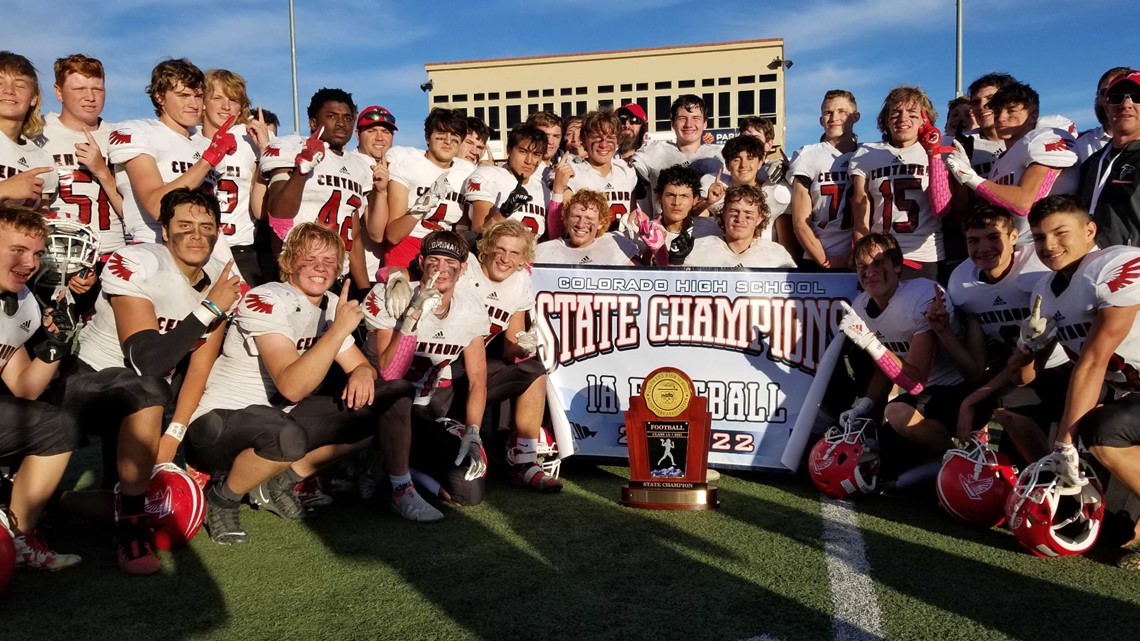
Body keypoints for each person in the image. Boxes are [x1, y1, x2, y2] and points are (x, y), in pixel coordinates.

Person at [63, 188, 239, 574]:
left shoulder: (219, 281)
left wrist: (173, 434)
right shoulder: (137, 261)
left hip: (147, 401)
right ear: (164, 231)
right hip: (90, 385)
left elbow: (199, 367)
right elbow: (148, 360)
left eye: (206, 227)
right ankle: (131, 533)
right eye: (185, 225)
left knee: (128, 488)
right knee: (148, 387)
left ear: (217, 233)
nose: (196, 234)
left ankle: (55, 503)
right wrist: (210, 308)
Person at [185, 223, 397, 542]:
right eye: (310, 259)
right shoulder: (267, 298)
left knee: (378, 408)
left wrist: (363, 373)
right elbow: (291, 387)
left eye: (328, 260)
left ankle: (277, 483)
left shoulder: (327, 304)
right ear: (290, 261)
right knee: (286, 436)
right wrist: (339, 330)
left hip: (277, 419)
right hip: (219, 423)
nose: (320, 268)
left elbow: (359, 365)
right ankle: (222, 497)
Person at [1016, 195, 1140, 569]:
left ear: (1089, 231)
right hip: (1129, 390)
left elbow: (1094, 360)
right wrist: (1027, 347)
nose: (1049, 245)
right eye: (1039, 237)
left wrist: (1063, 445)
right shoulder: (1046, 290)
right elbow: (1024, 377)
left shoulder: (1114, 264)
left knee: (1104, 431)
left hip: (1127, 388)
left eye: (1060, 232)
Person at [363, 231, 491, 510]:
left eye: (450, 263)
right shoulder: (393, 295)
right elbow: (388, 371)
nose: (441, 270)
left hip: (423, 413)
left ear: (464, 269)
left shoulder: (470, 308)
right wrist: (413, 314)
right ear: (421, 262)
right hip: (379, 406)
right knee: (397, 392)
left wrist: (473, 431)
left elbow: (478, 380)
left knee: (468, 492)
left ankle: (400, 469)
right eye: (434, 260)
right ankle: (379, 461)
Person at [835, 233, 971, 477]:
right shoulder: (861, 305)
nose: (869, 271)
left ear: (897, 265)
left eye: (878, 263)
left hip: (957, 390)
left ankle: (964, 468)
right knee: (884, 466)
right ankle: (937, 465)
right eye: (862, 266)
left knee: (895, 412)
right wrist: (864, 405)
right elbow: (886, 364)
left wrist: (869, 342)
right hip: (927, 396)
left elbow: (915, 382)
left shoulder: (922, 294)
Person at [949, 205, 1069, 463]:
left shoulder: (1038, 272)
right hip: (1019, 369)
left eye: (994, 237)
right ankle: (1041, 472)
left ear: (1014, 237)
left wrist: (972, 399)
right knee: (1007, 407)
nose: (983, 248)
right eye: (973, 241)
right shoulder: (962, 285)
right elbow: (977, 366)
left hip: (1064, 364)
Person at [0, 204, 82, 570]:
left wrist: (54, 346)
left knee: (55, 424)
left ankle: (17, 541)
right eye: (17, 250)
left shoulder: (20, 302)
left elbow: (23, 387)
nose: (30, 263)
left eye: (36, 253)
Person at [456, 220, 561, 491]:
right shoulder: (466, 268)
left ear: (523, 258)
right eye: (499, 249)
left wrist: (525, 345)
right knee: (466, 484)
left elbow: (510, 347)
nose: (505, 258)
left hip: (478, 372)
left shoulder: (520, 282)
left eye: (514, 253)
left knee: (533, 370)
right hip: (446, 366)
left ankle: (524, 460)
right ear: (486, 248)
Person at [107, 59, 237, 245]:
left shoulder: (204, 143)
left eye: (198, 96)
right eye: (183, 95)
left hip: (205, 248)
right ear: (160, 97)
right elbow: (156, 206)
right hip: (156, 246)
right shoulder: (139, 132)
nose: (193, 104)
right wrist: (207, 160)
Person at [944, 82, 1079, 245]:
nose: (1001, 118)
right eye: (997, 111)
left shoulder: (1045, 136)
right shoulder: (1000, 161)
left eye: (1011, 111)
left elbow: (1024, 204)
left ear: (1033, 116)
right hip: (1013, 248)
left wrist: (970, 177)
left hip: (1046, 245)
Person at [261, 87, 375, 272]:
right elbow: (278, 214)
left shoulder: (360, 165)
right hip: (297, 269)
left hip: (338, 271)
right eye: (332, 116)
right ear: (313, 122)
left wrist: (362, 289)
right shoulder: (290, 146)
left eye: (347, 118)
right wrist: (302, 169)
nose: (341, 123)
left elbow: (354, 234)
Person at [849, 86, 948, 279]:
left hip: (925, 254)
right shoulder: (867, 153)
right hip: (881, 254)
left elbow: (945, 207)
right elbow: (861, 205)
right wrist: (862, 252)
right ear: (886, 119)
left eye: (912, 113)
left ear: (925, 119)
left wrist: (933, 154)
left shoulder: (940, 149)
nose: (903, 119)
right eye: (895, 113)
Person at [36, 54, 125, 257]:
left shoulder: (120, 137)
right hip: (53, 253)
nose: (90, 97)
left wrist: (102, 171)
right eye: (79, 89)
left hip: (109, 253)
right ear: (59, 92)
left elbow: (136, 214)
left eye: (97, 89)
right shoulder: (37, 133)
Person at [199, 69, 270, 284]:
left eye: (233, 99)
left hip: (240, 248)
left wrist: (266, 150)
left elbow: (262, 209)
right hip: (195, 247)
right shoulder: (188, 137)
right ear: (202, 100)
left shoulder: (249, 139)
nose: (226, 106)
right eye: (218, 97)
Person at [383, 108, 475, 269]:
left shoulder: (468, 172)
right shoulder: (407, 164)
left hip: (447, 252)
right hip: (408, 246)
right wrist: (422, 206)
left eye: (454, 137)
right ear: (427, 137)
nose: (448, 141)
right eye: (441, 135)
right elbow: (393, 234)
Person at [790, 90, 860, 270]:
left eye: (842, 112)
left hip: (859, 259)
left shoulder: (867, 154)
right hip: (816, 256)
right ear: (821, 120)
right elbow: (800, 221)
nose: (834, 117)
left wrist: (856, 256)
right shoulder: (807, 155)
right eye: (828, 113)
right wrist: (824, 261)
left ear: (855, 117)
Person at [701, 133, 797, 259]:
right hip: (721, 264)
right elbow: (693, 223)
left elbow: (788, 250)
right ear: (728, 165)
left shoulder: (776, 192)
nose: (743, 165)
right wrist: (707, 202)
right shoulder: (716, 188)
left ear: (760, 162)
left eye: (750, 158)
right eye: (736, 159)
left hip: (766, 265)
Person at [632, 95, 724, 215]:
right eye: (682, 118)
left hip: (707, 231)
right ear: (673, 123)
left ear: (705, 123)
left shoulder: (720, 156)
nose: (688, 124)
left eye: (696, 118)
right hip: (663, 230)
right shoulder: (652, 152)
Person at [1079, 70, 1140, 248]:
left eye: (1137, 97)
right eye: (1116, 98)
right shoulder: (1093, 162)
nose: (1126, 104)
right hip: (1091, 266)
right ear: (1106, 108)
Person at [553, 110, 637, 231]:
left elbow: (633, 218)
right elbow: (559, 230)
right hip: (588, 248)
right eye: (597, 138)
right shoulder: (573, 173)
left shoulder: (627, 171)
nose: (604, 144)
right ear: (584, 140)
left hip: (623, 247)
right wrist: (557, 190)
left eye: (610, 138)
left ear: (618, 140)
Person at [462, 124, 549, 237]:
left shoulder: (543, 189)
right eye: (523, 151)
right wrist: (504, 213)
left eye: (536, 154)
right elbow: (477, 233)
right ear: (509, 150)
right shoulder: (489, 176)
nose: (529, 161)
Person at [684, 184, 795, 268]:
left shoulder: (777, 256)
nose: (740, 219)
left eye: (748, 214)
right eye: (734, 212)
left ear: (759, 219)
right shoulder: (698, 249)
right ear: (723, 214)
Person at [0, 51, 58, 212]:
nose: (9, 90)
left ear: (33, 98)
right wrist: (4, 190)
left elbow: (41, 219)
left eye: (19, 84)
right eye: (0, 83)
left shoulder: (42, 159)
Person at [350, 104, 398, 288]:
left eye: (386, 132)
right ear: (357, 134)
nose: (380, 137)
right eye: (372, 130)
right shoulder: (355, 164)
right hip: (361, 272)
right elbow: (376, 233)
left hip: (386, 269)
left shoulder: (392, 164)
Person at [535, 189, 638, 265]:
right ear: (566, 218)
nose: (581, 224)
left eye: (589, 219)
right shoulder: (544, 251)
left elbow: (643, 278)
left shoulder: (614, 245)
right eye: (576, 216)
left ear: (601, 222)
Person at [654, 165, 720, 266]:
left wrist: (708, 201)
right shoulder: (645, 233)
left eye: (684, 196)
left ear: (695, 199)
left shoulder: (712, 230)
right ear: (660, 198)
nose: (676, 202)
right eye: (670, 195)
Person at [1075, 67, 1132, 163]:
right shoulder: (1077, 143)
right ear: (1097, 97)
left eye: (1123, 94)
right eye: (1105, 92)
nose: (1123, 103)